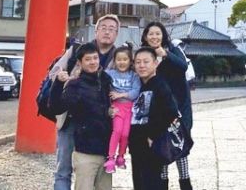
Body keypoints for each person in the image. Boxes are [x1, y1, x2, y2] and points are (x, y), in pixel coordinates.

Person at [50, 14, 120, 190]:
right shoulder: (77, 51)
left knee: (96, 173)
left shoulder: (120, 56)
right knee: (64, 167)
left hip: (98, 125)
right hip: (71, 117)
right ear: (95, 30)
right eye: (103, 27)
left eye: (112, 29)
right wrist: (69, 82)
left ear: (117, 34)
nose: (107, 32)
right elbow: (55, 72)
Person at [141, 21, 193, 190]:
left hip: (179, 107)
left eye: (158, 33)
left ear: (163, 35)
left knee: (180, 147)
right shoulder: (144, 53)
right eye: (151, 34)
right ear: (145, 36)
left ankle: (185, 184)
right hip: (157, 109)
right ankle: (162, 185)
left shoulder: (173, 49)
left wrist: (165, 54)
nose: (154, 37)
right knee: (161, 147)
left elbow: (183, 67)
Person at [129, 47, 179, 190]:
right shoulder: (138, 85)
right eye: (138, 62)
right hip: (136, 143)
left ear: (155, 63)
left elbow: (171, 112)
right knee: (139, 183)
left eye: (146, 62)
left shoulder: (160, 85)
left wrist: (153, 135)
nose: (142, 65)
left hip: (152, 144)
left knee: (151, 183)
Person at [104, 43, 141, 173]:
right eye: (119, 59)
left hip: (129, 108)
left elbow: (136, 92)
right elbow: (100, 80)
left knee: (126, 134)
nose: (121, 62)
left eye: (125, 59)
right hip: (117, 107)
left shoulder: (134, 75)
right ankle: (110, 158)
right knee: (117, 131)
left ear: (130, 61)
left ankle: (121, 156)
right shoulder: (109, 73)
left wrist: (121, 94)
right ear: (114, 60)